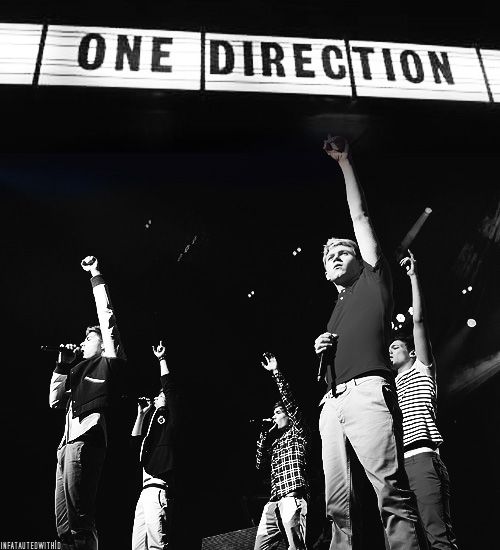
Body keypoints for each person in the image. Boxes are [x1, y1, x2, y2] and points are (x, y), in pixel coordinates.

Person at [314, 136, 427, 550]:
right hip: (331, 403)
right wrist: (321, 351)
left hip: (367, 394)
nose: (335, 257)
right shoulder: (334, 310)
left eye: (342, 252)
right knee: (335, 507)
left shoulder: (374, 281)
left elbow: (359, 217)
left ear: (361, 258)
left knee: (390, 494)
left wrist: (345, 163)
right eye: (328, 257)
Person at [49, 256, 126, 550]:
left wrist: (95, 275)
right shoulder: (77, 372)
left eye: (88, 338)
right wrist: (60, 366)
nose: (82, 342)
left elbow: (107, 318)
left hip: (87, 439)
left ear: (103, 344)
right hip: (65, 444)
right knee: (63, 527)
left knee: (80, 520)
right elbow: (55, 401)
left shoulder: (109, 362)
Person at [389, 251, 458, 549]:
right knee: (415, 540)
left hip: (422, 457)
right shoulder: (389, 384)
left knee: (438, 537)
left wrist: (413, 277)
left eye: (396, 346)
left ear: (413, 353)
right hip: (405, 464)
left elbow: (418, 321)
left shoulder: (421, 369)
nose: (391, 350)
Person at [254, 352, 310, 550]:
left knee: (296, 547)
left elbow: (290, 402)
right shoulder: (274, 442)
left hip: (291, 498)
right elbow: (259, 465)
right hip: (273, 503)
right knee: (260, 547)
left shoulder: (297, 432)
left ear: (288, 415)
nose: (274, 417)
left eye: (278, 412)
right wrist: (263, 436)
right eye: (273, 413)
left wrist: (275, 372)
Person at [131, 340, 181, 550]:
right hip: (144, 491)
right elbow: (135, 442)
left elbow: (169, 388)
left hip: (158, 489)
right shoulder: (155, 427)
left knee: (156, 545)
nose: (157, 397)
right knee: (137, 546)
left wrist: (162, 359)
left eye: (160, 395)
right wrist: (142, 414)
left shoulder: (172, 421)